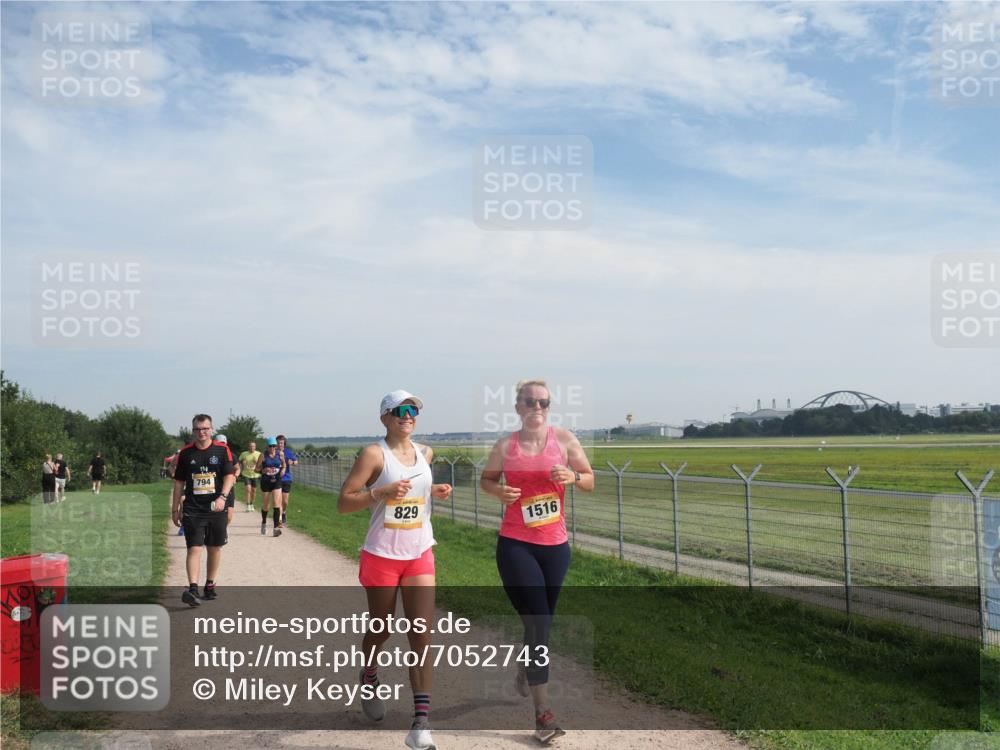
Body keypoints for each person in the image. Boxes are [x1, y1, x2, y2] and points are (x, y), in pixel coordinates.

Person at [480, 379, 595, 745]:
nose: (537, 407)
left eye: (544, 402)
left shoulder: (565, 440)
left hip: (555, 546)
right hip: (516, 544)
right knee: (540, 623)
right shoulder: (505, 446)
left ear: (550, 406)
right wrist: (499, 491)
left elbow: (591, 479)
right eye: (530, 402)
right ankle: (544, 716)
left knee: (539, 626)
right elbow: (485, 480)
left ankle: (527, 664)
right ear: (518, 407)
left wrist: (573, 477)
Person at [338, 390, 452, 750]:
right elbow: (344, 503)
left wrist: (435, 489)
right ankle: (369, 674)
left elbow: (416, 491)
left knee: (421, 633)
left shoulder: (426, 453)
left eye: (414, 410)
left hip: (419, 552)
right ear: (385, 417)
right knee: (381, 628)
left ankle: (421, 724)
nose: (408, 415)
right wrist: (380, 492)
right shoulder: (374, 454)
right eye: (401, 410)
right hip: (382, 554)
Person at [171, 414, 235, 607]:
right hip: (193, 507)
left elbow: (230, 476)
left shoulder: (222, 450)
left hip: (216, 506)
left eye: (205, 428)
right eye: (198, 429)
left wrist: (223, 497)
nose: (201, 432)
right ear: (193, 431)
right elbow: (179, 482)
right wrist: (175, 509)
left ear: (211, 429)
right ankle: (192, 589)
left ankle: (209, 584)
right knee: (194, 547)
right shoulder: (185, 453)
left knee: (214, 547)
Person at [254, 438, 285, 537]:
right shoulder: (263, 455)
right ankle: (263, 522)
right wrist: (263, 470)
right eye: (270, 446)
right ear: (267, 447)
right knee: (266, 505)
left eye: (274, 446)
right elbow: (256, 469)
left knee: (276, 503)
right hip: (266, 481)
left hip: (277, 480)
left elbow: (284, 465)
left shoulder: (280, 454)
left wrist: (283, 470)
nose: (272, 448)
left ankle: (275, 528)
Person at [214, 435, 241, 526]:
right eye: (220, 444)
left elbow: (237, 468)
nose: (222, 445)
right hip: (215, 487)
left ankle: (222, 530)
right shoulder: (212, 455)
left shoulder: (231, 455)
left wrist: (235, 476)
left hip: (228, 487)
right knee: (215, 513)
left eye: (224, 444)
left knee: (229, 516)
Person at [276, 435, 298, 527]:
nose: (279, 444)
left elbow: (296, 462)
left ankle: (284, 512)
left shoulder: (288, 452)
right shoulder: (274, 452)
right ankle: (279, 519)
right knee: (278, 500)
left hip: (287, 478)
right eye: (278, 442)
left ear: (284, 443)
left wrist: (292, 462)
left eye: (281, 443)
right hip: (277, 478)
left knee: (285, 501)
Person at [238, 441, 262, 512]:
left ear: (255, 447)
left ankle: (252, 504)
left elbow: (262, 465)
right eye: (250, 446)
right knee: (248, 489)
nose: (252, 448)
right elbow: (238, 462)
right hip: (246, 474)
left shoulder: (259, 454)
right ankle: (248, 505)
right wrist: (242, 463)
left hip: (255, 474)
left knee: (254, 491)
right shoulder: (244, 454)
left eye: (253, 446)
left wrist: (257, 462)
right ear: (248, 447)